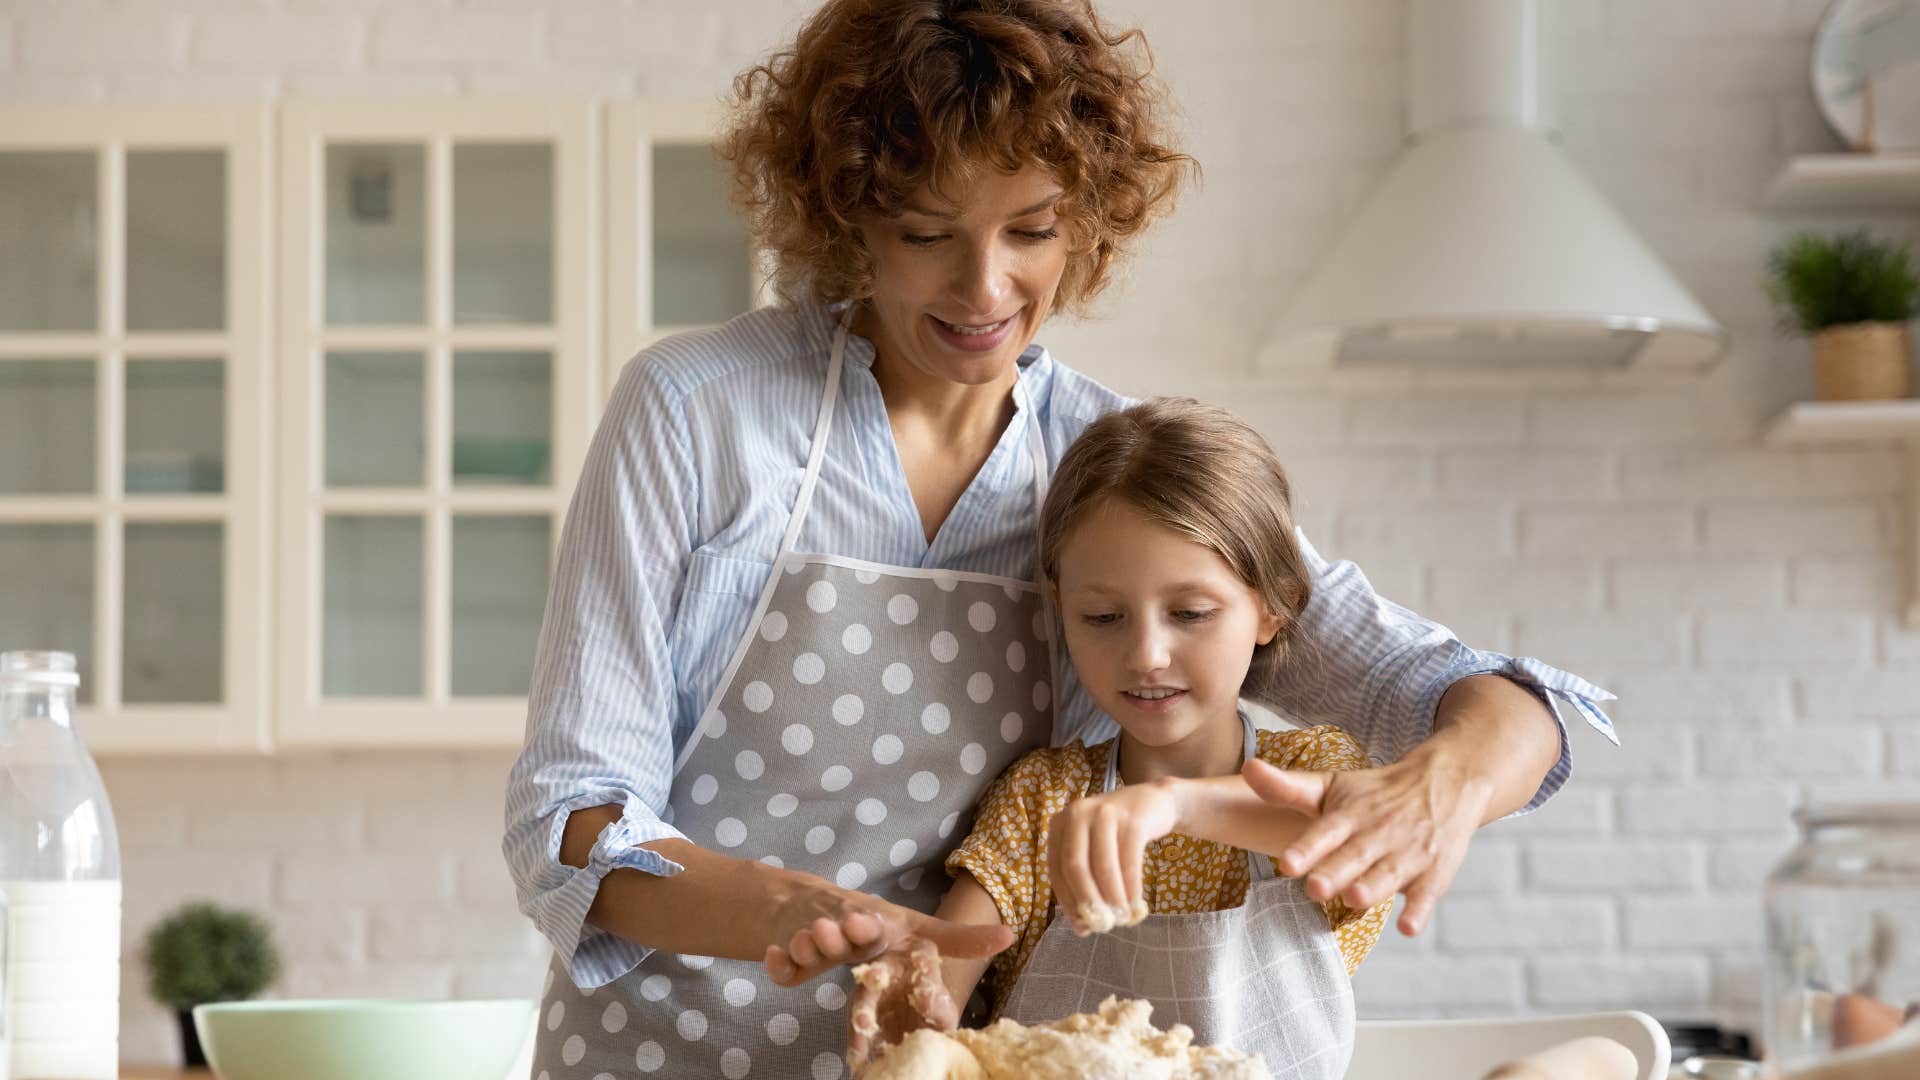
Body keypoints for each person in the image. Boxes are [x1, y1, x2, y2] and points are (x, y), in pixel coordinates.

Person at [503, 1, 1617, 1076]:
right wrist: (797, 909)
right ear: (847, 217)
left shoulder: (1106, 470)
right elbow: (569, 822)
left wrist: (1445, 784)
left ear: (1086, 217)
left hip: (960, 1067)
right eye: (927, 233)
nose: (987, 287)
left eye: (1030, 230)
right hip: (662, 1056)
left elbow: (1492, 699)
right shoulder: (699, 414)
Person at [785, 398, 1395, 1076]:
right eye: (1103, 616)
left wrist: (1174, 804)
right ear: (1059, 605)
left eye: (1190, 612)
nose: (1146, 654)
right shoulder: (1045, 798)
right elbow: (943, 973)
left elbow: (1362, 831)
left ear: (1272, 606)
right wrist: (906, 1000)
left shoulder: (1318, 768)